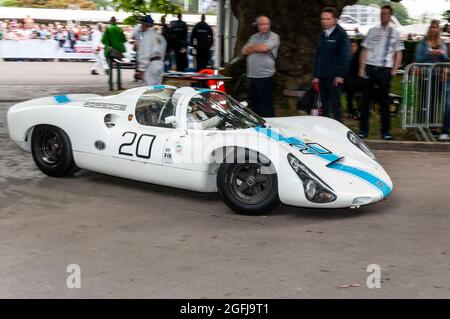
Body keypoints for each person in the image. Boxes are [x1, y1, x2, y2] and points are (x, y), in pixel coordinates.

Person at [358, 5, 404, 140]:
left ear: (390, 16)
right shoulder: (372, 31)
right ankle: (363, 131)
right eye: (382, 14)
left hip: (385, 71)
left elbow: (399, 53)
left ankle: (385, 132)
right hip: (371, 68)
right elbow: (364, 51)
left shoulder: (395, 33)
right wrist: (361, 69)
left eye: (386, 14)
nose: (383, 16)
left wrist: (394, 70)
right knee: (365, 101)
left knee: (384, 102)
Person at [313, 7, 351, 123]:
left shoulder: (341, 34)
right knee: (324, 105)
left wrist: (340, 75)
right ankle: (326, 129)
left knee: (336, 105)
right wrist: (316, 75)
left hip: (334, 77)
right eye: (322, 19)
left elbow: (345, 57)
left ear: (335, 19)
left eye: (327, 19)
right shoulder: (321, 34)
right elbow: (318, 56)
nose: (324, 21)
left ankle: (340, 131)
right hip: (322, 75)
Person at [416, 21, 450, 142]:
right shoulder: (423, 43)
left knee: (436, 101)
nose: (434, 29)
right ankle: (421, 124)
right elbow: (418, 58)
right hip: (425, 75)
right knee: (425, 100)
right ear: (429, 29)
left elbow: (446, 59)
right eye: (432, 27)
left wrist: (441, 54)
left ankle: (431, 125)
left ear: (438, 30)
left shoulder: (442, 43)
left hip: (438, 76)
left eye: (436, 27)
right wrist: (428, 53)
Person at [241, 15, 280, 117]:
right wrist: (256, 48)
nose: (264, 26)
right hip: (252, 75)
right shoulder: (253, 37)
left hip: (265, 76)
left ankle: (269, 124)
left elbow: (264, 48)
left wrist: (252, 48)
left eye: (266, 24)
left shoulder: (274, 37)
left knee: (266, 104)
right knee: (254, 104)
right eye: (262, 24)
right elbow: (244, 51)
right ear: (257, 25)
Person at [137, 15, 167, 86]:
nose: (141, 26)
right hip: (160, 64)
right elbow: (163, 52)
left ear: (145, 24)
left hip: (150, 65)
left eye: (141, 24)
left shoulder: (147, 36)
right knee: (157, 89)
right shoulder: (160, 37)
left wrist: (141, 69)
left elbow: (145, 54)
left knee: (148, 90)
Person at [102, 16, 127, 91]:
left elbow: (103, 40)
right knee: (119, 69)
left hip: (110, 51)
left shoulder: (108, 29)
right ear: (116, 21)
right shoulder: (120, 29)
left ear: (110, 21)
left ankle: (111, 86)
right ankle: (119, 85)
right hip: (118, 51)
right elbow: (124, 40)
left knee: (111, 69)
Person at [344, 39, 362, 119]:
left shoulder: (360, 57)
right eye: (350, 46)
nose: (351, 48)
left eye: (353, 46)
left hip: (357, 82)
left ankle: (356, 112)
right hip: (347, 82)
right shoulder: (345, 57)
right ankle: (351, 112)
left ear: (357, 47)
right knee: (349, 89)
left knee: (351, 88)